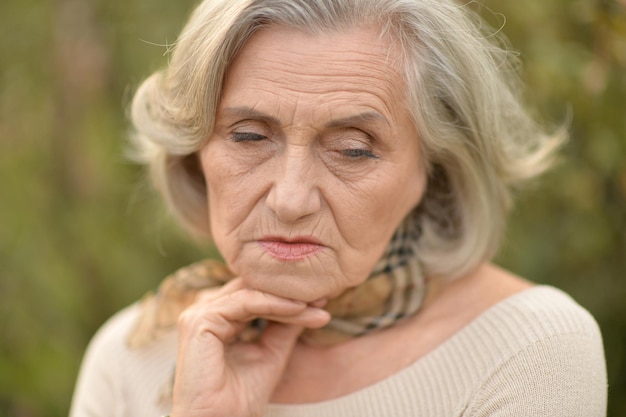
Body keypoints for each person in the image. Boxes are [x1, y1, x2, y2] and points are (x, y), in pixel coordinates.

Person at [69, 0, 607, 416]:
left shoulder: (528, 348)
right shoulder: (132, 355)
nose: (291, 199)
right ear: (193, 153)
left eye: (352, 149)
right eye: (250, 136)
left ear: (435, 170)